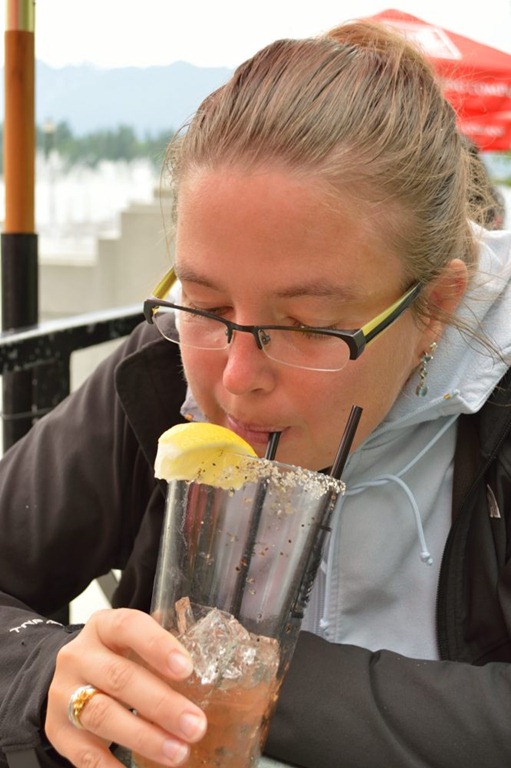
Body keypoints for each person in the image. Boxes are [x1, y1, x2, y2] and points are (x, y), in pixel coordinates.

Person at [1, 18, 511, 768]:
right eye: (206, 302)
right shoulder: (164, 366)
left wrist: (249, 675)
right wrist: (50, 672)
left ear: (435, 305)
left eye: (305, 326)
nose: (237, 377)